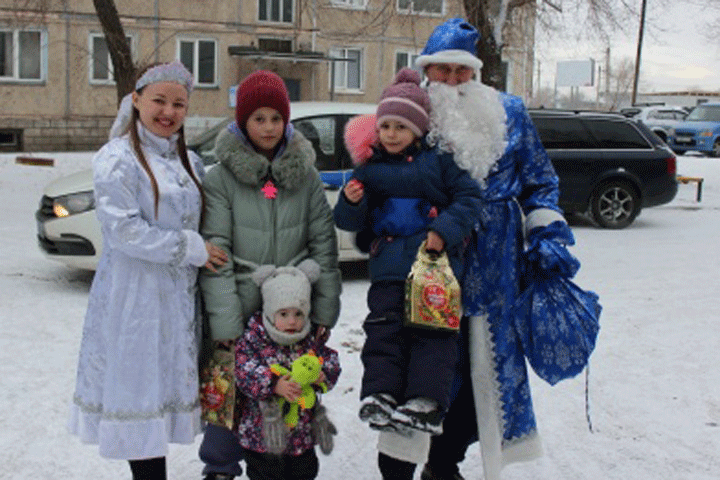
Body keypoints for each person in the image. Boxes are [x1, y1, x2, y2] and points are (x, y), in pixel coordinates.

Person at [357, 19, 578, 480]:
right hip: (428, 261)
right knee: (415, 362)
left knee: (481, 374)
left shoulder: (510, 112)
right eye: (443, 72)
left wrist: (547, 233)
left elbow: (541, 181)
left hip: (495, 269)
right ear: (426, 72)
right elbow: (379, 179)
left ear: (476, 74)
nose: (453, 82)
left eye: (463, 72)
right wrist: (371, 228)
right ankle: (396, 464)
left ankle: (445, 462)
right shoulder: (412, 115)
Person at [68, 61, 228, 479]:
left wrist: (269, 189)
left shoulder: (188, 160)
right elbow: (124, 231)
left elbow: (221, 200)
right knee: (140, 402)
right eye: (159, 100)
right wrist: (191, 248)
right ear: (136, 100)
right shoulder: (117, 158)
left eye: (179, 104)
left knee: (163, 403)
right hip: (135, 299)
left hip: (176, 301)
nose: (168, 112)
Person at [198, 69, 342, 480]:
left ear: (287, 121)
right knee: (230, 392)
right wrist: (225, 322)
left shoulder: (306, 176)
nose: (268, 127)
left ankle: (283, 468)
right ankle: (220, 468)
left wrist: (324, 313)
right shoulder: (221, 179)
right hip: (240, 302)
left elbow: (324, 248)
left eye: (275, 118)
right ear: (243, 122)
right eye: (258, 118)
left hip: (293, 309)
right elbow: (217, 252)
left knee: (289, 392)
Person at [333, 69, 482, 439]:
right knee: (384, 333)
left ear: (418, 130)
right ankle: (380, 395)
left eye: (401, 126)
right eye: (386, 126)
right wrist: (351, 202)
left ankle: (426, 402)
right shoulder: (368, 170)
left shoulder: (439, 163)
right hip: (388, 270)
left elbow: (469, 198)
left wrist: (442, 230)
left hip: (433, 270)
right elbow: (349, 221)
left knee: (433, 336)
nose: (392, 134)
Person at [234, 259, 341, 480]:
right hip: (262, 437)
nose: (292, 321)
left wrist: (323, 375)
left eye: (298, 314)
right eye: (283, 314)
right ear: (270, 312)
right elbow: (243, 369)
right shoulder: (255, 338)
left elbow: (330, 359)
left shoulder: (309, 340)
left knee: (305, 472)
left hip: (302, 435)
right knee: (265, 474)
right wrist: (274, 383)